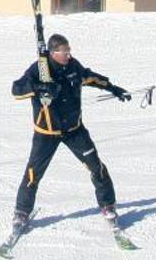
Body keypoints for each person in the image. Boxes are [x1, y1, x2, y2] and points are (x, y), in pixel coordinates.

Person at [8, 33, 130, 232]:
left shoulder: (73, 66)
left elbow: (90, 77)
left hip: (74, 130)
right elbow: (17, 89)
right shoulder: (40, 68)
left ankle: (108, 205)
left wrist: (113, 88)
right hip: (46, 132)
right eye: (64, 51)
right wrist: (40, 87)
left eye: (69, 50)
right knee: (33, 174)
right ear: (53, 52)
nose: (68, 55)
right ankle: (22, 212)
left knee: (96, 167)